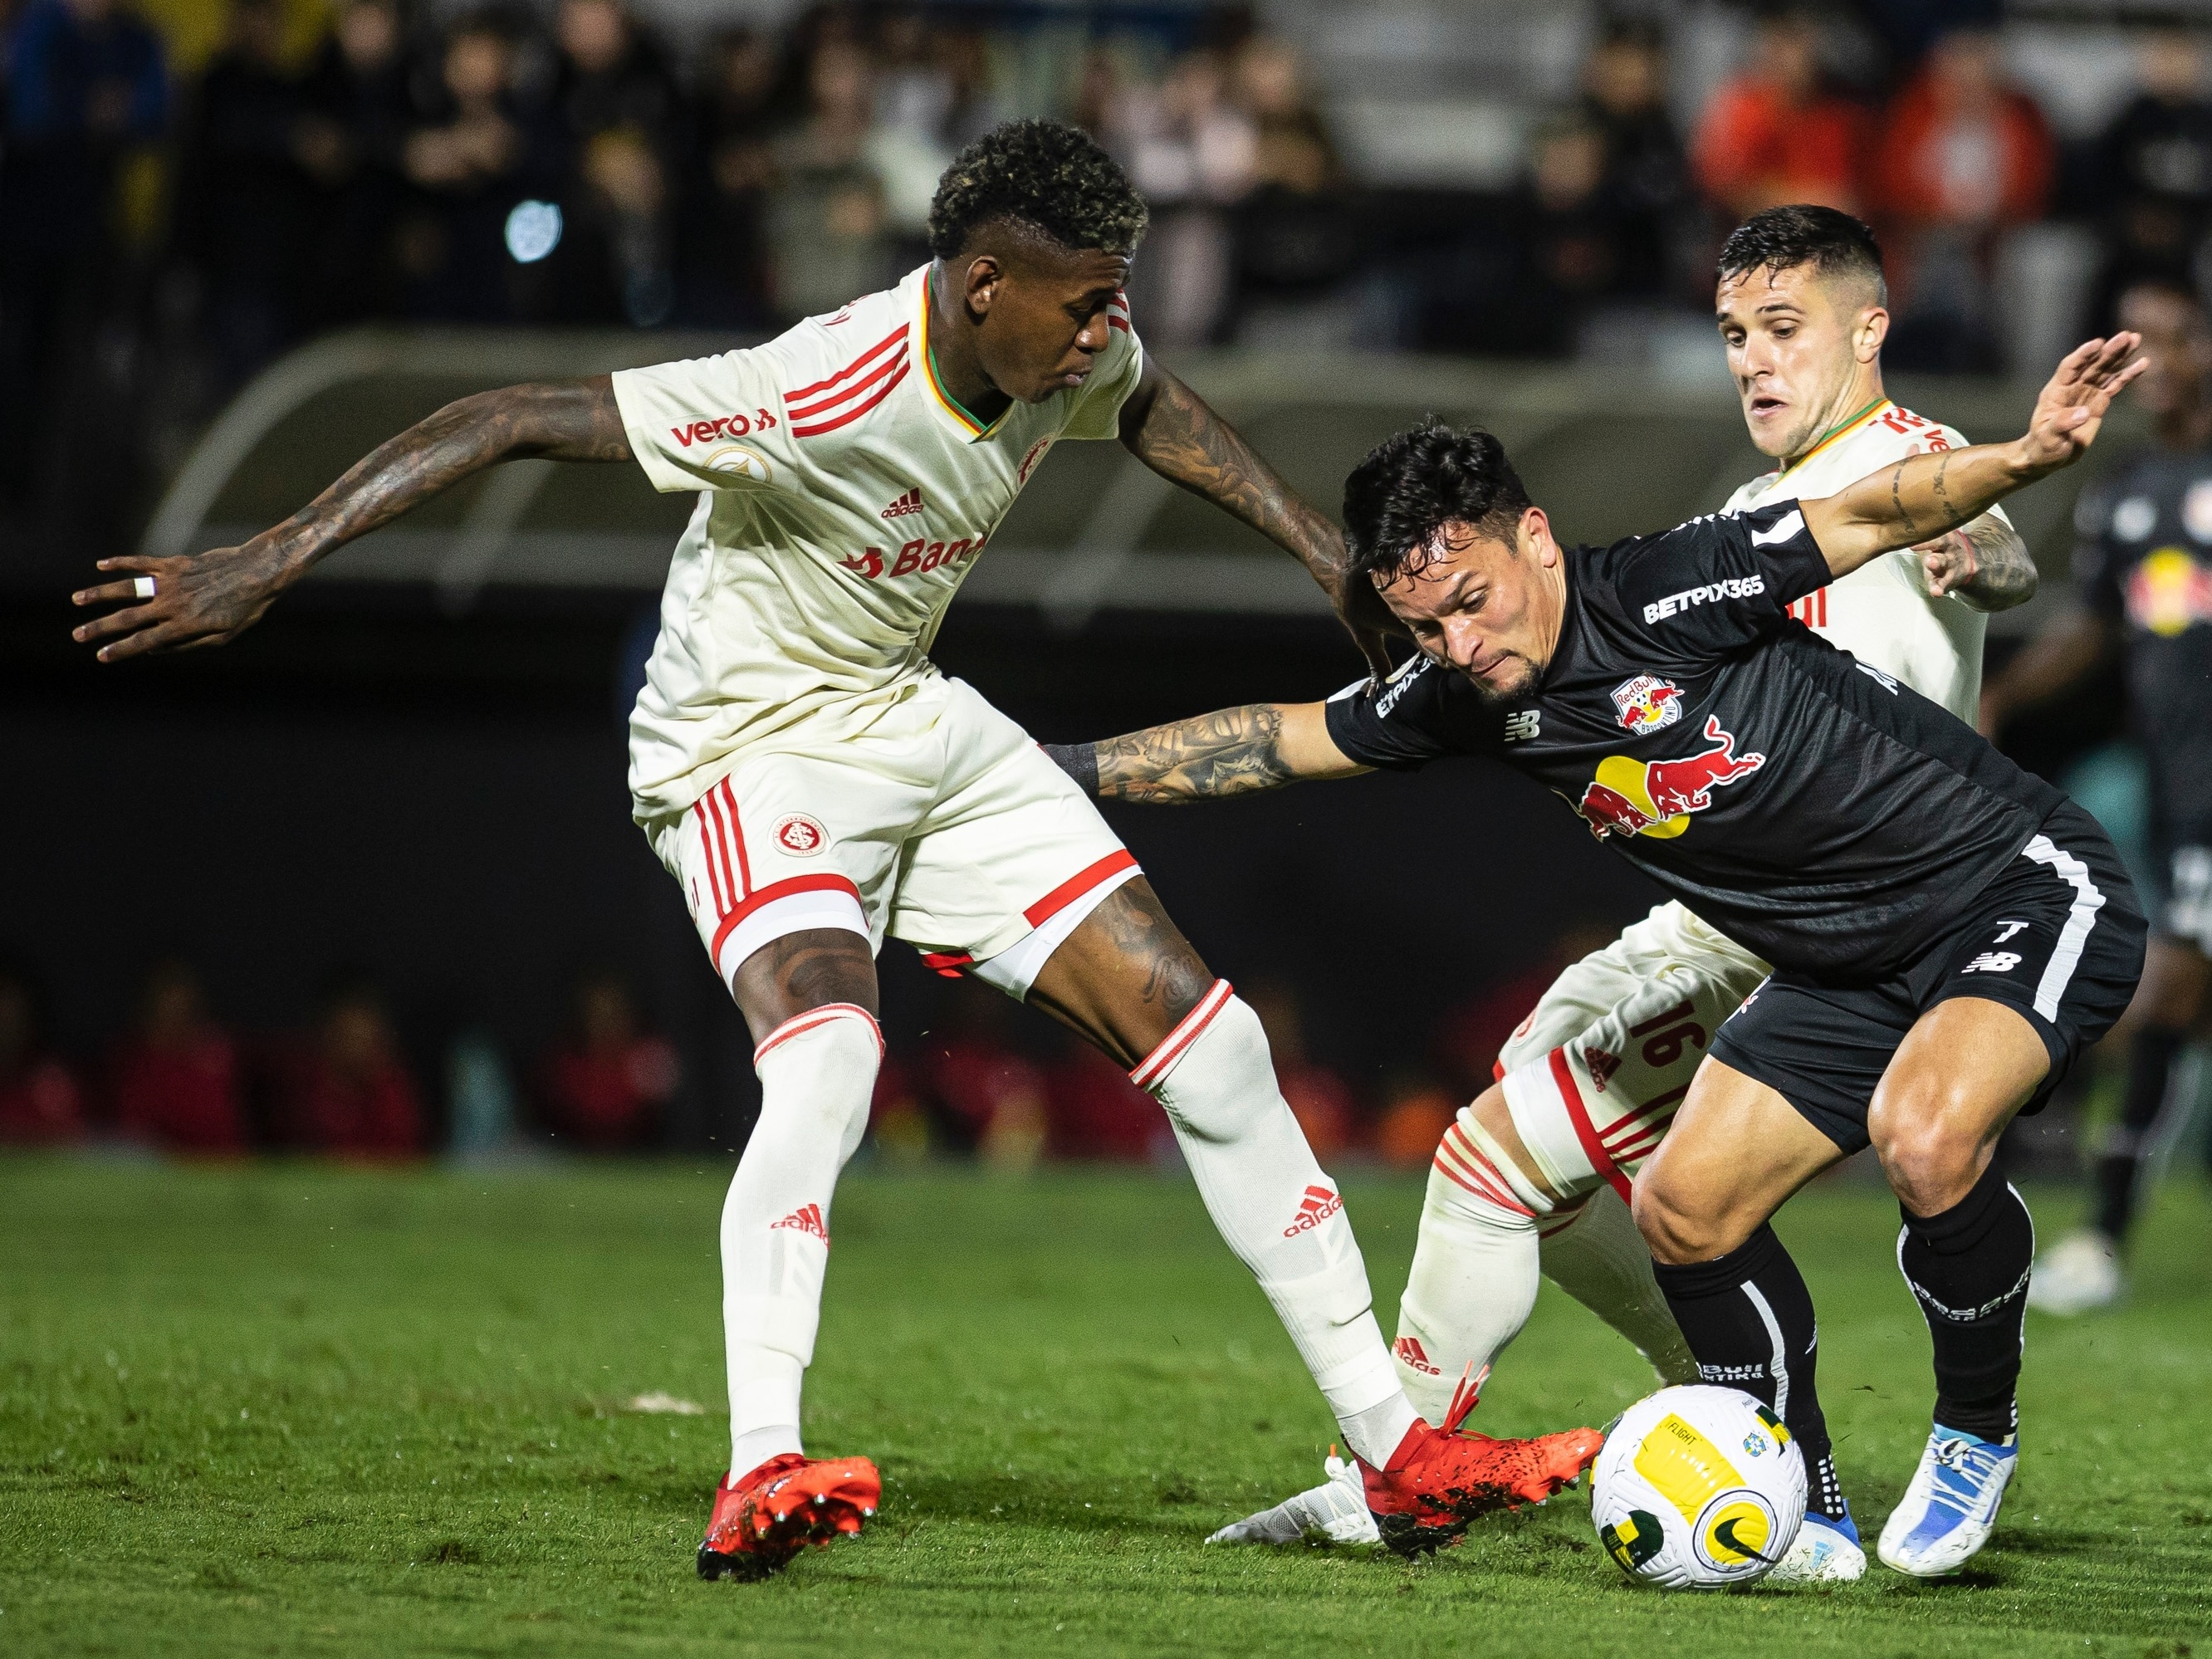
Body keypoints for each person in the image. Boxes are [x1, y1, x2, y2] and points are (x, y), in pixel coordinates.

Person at [73, 120, 1597, 1580]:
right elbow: (510, 415)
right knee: (829, 1064)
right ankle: (758, 1464)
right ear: (979, 284)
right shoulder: (823, 382)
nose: (1101, 332)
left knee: (1213, 1048)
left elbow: (1153, 408)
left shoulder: (1065, 342)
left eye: (1113, 299)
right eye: (1080, 305)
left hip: (909, 721)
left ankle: (1393, 1452)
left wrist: (1321, 553)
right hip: (746, 748)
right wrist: (267, 557)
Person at [1047, 333, 2147, 1578]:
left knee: (1926, 1133)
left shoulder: (1671, 583)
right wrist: (1043, 774)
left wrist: (2026, 455)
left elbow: (1871, 507)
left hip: (2011, 888)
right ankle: (1809, 1504)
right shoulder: (1464, 691)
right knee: (1683, 1210)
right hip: (1836, 961)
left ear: (1536, 535)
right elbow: (1276, 740)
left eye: (1472, 600)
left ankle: (1974, 1429)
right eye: (1425, 623)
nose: (1458, 643)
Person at [1984, 279, 2212, 1314]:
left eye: (2167, 338)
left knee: (2168, 995)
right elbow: (2104, 628)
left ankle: (2104, 1234)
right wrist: (2003, 697)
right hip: (2180, 782)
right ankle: (2105, 1235)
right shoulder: (2128, 490)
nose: (2147, 361)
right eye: (2132, 343)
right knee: (2172, 997)